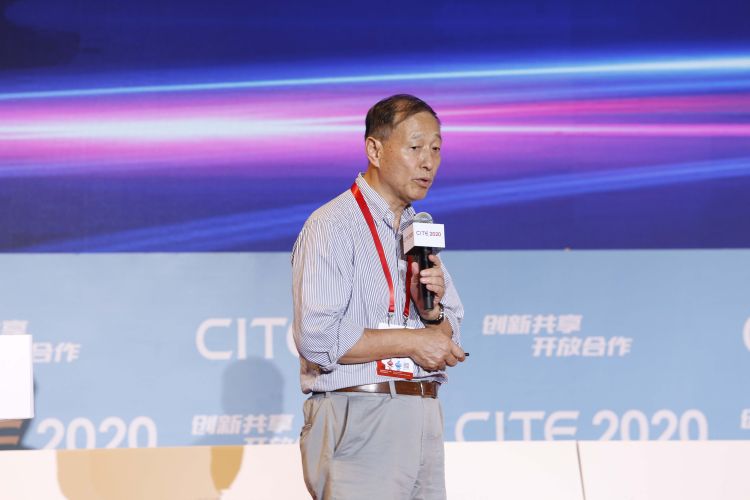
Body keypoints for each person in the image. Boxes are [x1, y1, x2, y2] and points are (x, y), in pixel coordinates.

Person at [291, 94, 466, 500]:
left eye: (436, 149)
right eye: (415, 147)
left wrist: (433, 314)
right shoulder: (333, 225)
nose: (428, 162)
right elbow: (317, 338)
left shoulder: (418, 229)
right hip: (360, 412)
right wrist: (413, 342)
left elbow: (451, 334)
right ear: (374, 150)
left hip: (423, 411)